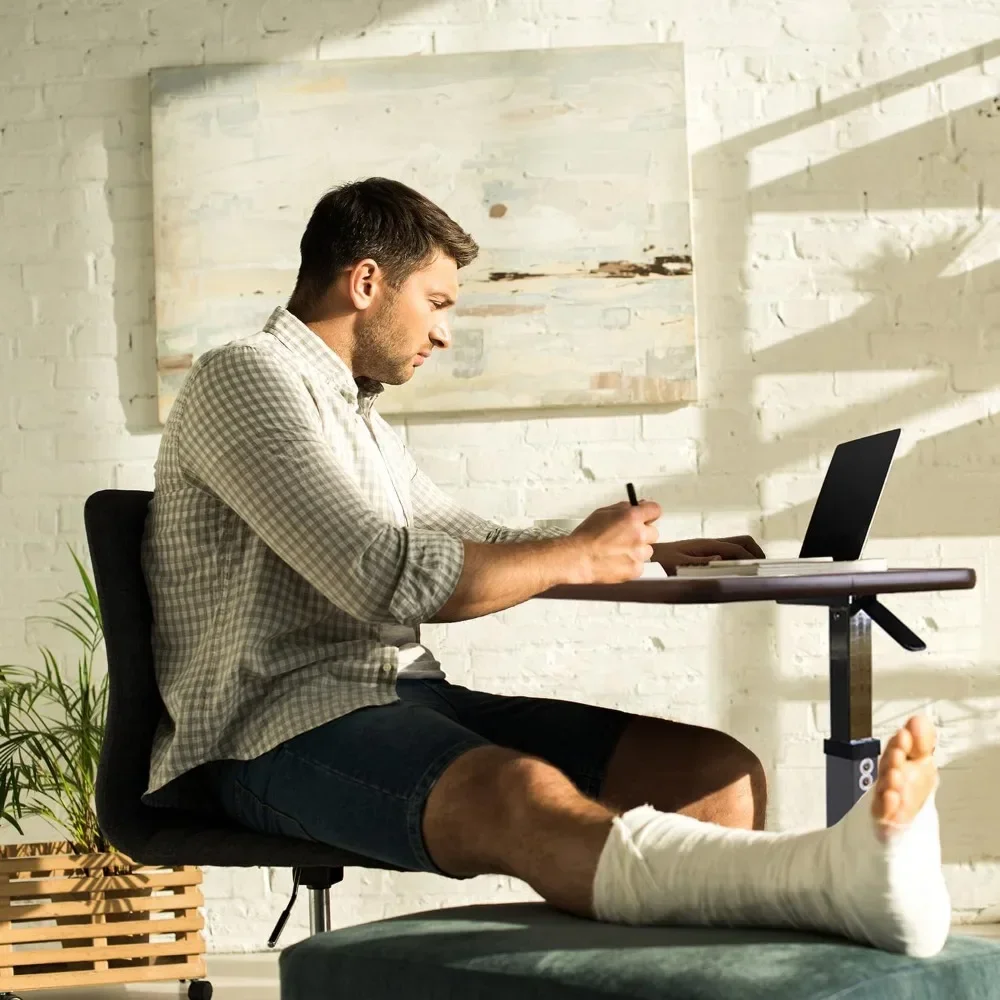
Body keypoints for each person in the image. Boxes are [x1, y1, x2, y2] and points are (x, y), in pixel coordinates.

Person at [141, 177, 951, 958]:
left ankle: (692, 973)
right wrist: (575, 555)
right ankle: (826, 881)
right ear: (365, 283)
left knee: (715, 773)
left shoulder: (363, 422)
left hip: (400, 692)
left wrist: (632, 554)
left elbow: (471, 534)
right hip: (269, 729)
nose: (444, 333)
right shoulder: (246, 377)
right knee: (516, 792)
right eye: (437, 302)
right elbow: (378, 573)